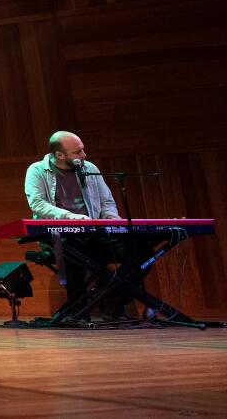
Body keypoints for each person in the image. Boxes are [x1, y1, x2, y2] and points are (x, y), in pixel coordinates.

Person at [24, 130, 142, 318]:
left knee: (139, 250)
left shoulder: (89, 168)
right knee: (73, 250)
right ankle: (79, 311)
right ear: (60, 155)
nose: (84, 155)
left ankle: (112, 298)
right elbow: (37, 203)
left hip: (96, 233)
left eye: (83, 150)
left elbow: (106, 201)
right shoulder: (37, 171)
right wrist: (70, 217)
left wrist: (111, 219)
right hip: (59, 235)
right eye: (77, 152)